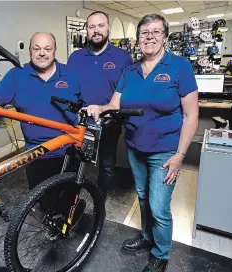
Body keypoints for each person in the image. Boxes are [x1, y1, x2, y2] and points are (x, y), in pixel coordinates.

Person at [86, 14, 199, 271]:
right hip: (135, 147)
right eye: (144, 32)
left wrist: (180, 154)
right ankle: (147, 236)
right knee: (143, 197)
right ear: (138, 39)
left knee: (159, 206)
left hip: (166, 150)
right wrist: (98, 108)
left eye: (156, 31)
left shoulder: (179, 67)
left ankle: (161, 252)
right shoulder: (130, 71)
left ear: (165, 37)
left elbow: (192, 116)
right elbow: (114, 105)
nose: (150, 36)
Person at [0, 32, 82, 211]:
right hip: (36, 154)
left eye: (47, 48)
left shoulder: (71, 74)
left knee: (67, 201)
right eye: (36, 48)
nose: (42, 53)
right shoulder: (16, 75)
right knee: (43, 201)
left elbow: (88, 106)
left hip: (68, 151)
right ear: (30, 51)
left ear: (54, 51)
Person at [67, 11, 134, 198]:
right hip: (80, 123)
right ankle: (71, 201)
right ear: (86, 30)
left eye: (100, 26)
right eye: (91, 27)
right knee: (75, 164)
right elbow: (68, 88)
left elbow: (128, 91)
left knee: (106, 165)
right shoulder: (75, 57)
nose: (96, 31)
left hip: (108, 123)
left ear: (108, 28)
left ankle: (99, 201)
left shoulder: (123, 58)